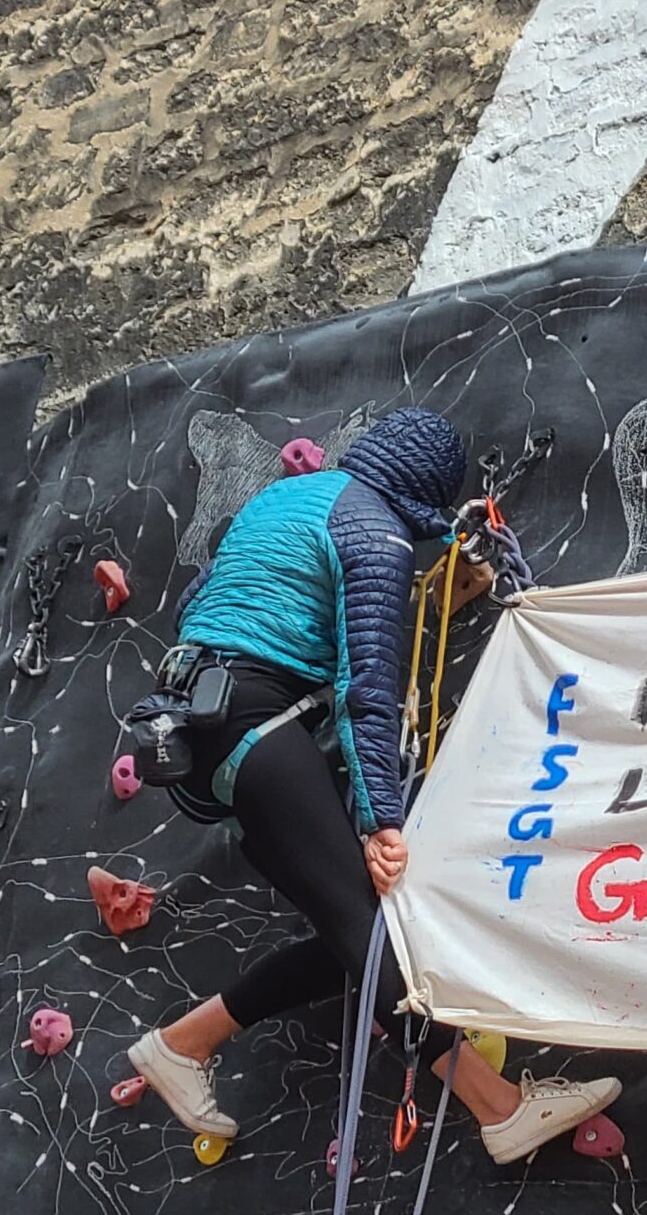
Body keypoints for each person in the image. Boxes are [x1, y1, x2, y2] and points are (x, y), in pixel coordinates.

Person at [126, 406, 619, 1163]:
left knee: (347, 930)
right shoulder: (375, 533)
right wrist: (380, 818)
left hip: (204, 721)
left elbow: (214, 607)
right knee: (374, 928)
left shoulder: (284, 500)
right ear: (421, 486)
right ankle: (500, 1107)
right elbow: (367, 687)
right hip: (260, 724)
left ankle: (184, 1044)